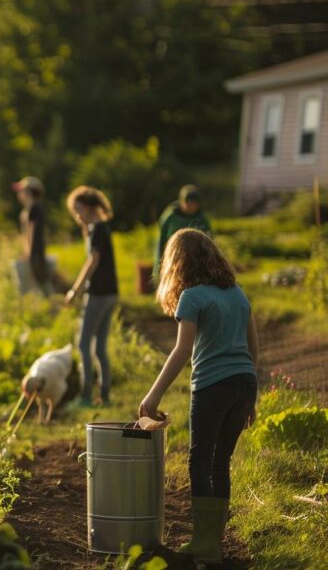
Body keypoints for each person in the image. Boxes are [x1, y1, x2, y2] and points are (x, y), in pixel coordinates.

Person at [138, 228, 258, 564]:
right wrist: (253, 398)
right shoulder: (237, 293)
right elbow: (254, 349)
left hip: (213, 386)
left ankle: (205, 543)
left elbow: (181, 351)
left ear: (177, 263)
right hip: (244, 383)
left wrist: (153, 395)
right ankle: (213, 542)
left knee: (199, 460)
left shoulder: (192, 297)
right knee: (221, 462)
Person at [64, 186, 119, 406]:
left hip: (97, 294)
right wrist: (85, 229)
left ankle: (85, 396)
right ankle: (104, 395)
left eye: (78, 210)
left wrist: (74, 290)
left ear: (88, 207)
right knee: (100, 348)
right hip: (111, 293)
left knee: (84, 345)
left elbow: (92, 260)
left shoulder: (97, 229)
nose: (77, 215)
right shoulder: (102, 227)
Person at [155, 184, 212, 279]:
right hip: (174, 260)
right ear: (181, 201)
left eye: (194, 204)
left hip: (196, 264)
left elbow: (210, 242)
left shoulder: (201, 219)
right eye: (188, 203)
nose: (191, 207)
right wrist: (159, 267)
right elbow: (161, 242)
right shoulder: (170, 217)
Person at [13, 176, 50, 294]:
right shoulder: (29, 209)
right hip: (33, 252)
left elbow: (31, 231)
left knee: (43, 283)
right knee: (39, 284)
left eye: (21, 190)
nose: (19, 194)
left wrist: (28, 253)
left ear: (28, 192)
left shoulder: (34, 208)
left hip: (35, 253)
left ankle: (54, 308)